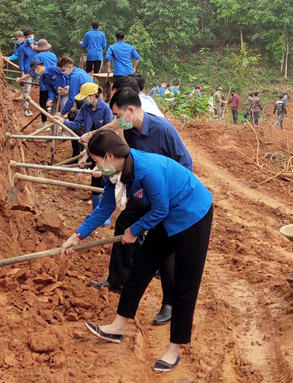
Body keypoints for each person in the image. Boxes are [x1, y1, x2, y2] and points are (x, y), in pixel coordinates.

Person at [61, 128, 213, 373]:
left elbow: (160, 210)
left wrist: (135, 229)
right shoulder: (115, 174)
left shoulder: (146, 169)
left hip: (193, 213)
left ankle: (174, 349)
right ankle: (118, 327)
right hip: (168, 214)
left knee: (185, 283)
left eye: (97, 160)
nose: (95, 167)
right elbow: (104, 210)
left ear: (109, 156)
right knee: (141, 267)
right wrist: (76, 236)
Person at [82, 88, 193, 326]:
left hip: (170, 192)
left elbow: (186, 161)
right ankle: (118, 281)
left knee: (164, 241)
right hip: (145, 190)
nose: (116, 120)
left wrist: (175, 199)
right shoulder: (130, 132)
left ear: (130, 110)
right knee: (124, 223)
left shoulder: (164, 129)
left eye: (117, 114)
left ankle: (170, 302)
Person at [55, 82, 114, 224]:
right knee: (95, 181)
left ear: (94, 95)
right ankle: (96, 213)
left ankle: (106, 215)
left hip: (107, 150)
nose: (84, 100)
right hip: (93, 148)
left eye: (86, 97)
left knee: (106, 181)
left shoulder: (106, 109)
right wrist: (62, 120)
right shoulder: (85, 108)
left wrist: (101, 158)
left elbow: (110, 132)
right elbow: (77, 125)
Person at [33, 39, 58, 124]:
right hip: (55, 82)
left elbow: (35, 69)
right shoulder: (53, 55)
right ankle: (57, 123)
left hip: (45, 83)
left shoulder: (37, 56)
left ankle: (44, 123)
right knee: (55, 104)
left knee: (43, 103)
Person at [18, 29, 38, 116]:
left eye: (30, 37)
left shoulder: (38, 45)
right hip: (28, 70)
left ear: (33, 36)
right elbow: (21, 60)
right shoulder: (22, 48)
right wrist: (22, 72)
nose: (29, 38)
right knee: (27, 88)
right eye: (27, 37)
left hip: (38, 70)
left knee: (43, 86)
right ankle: (27, 108)